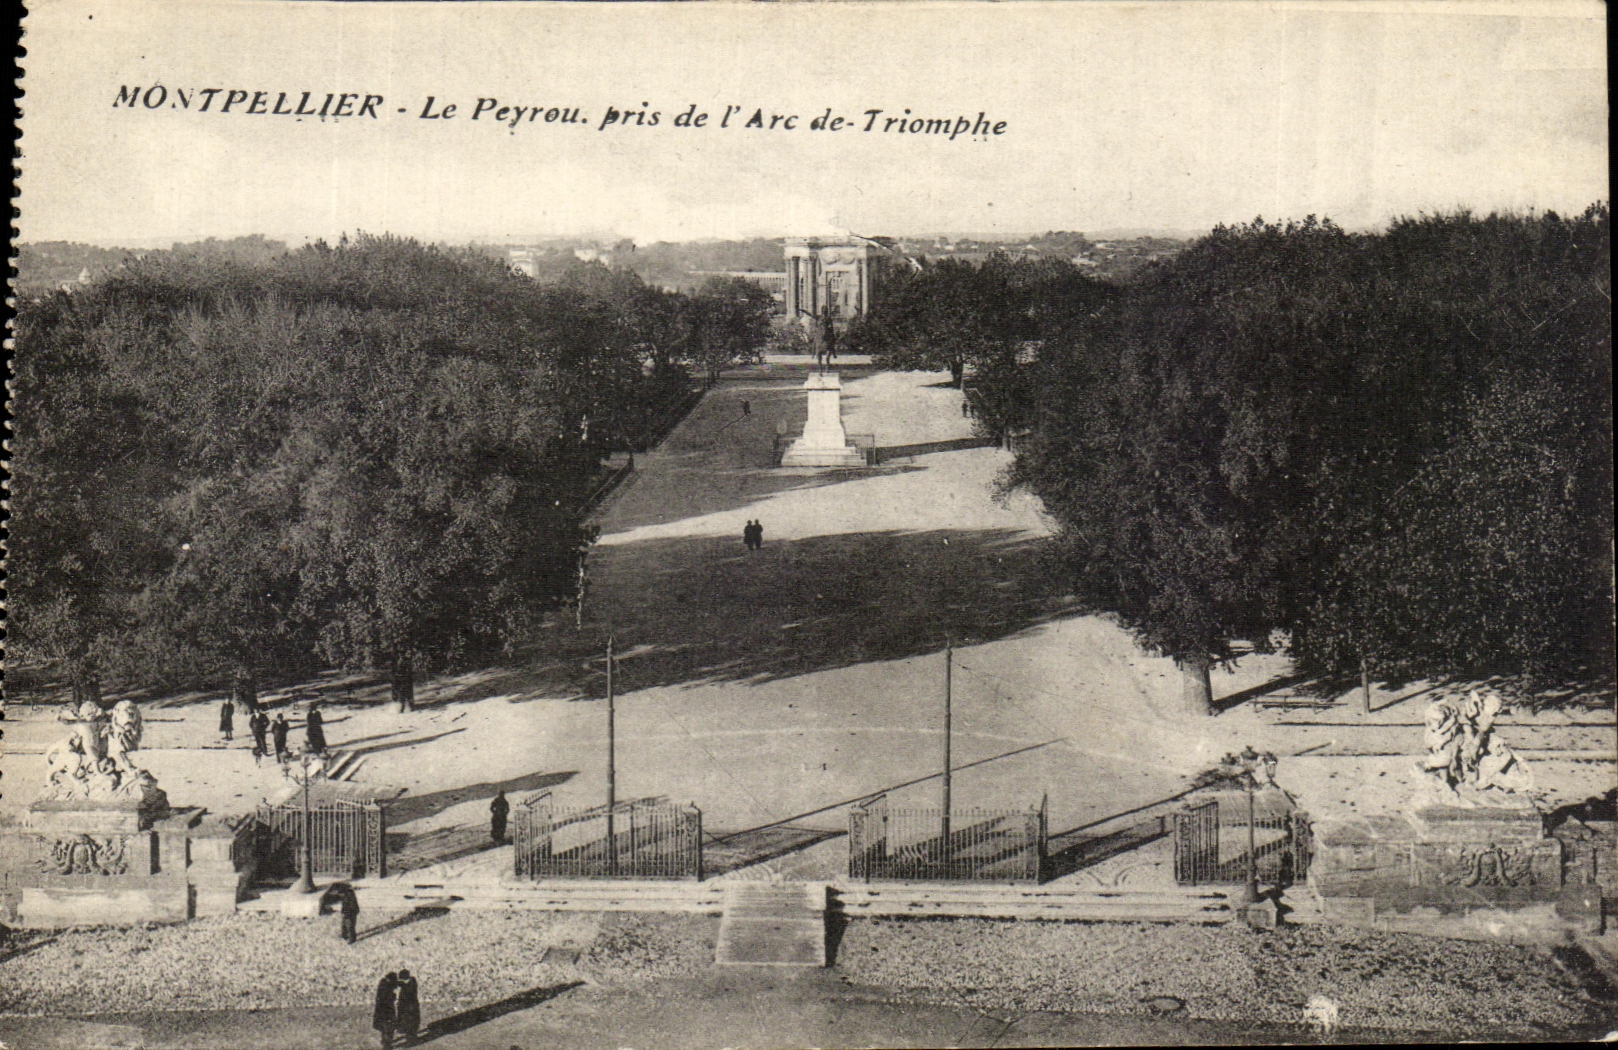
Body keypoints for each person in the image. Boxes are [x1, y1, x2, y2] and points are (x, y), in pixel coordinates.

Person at [373, 972, 399, 1050]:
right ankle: (387, 1045)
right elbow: (388, 998)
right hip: (387, 1011)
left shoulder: (382, 984)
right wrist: (394, 996)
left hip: (381, 1011)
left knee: (385, 1028)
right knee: (389, 1028)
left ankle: (385, 1042)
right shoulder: (387, 987)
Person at [395, 969, 421, 1044]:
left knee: (410, 1025)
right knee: (409, 1024)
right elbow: (403, 984)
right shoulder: (411, 982)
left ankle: (411, 1040)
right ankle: (411, 1038)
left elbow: (407, 993)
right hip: (409, 1008)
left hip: (410, 1009)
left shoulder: (410, 987)